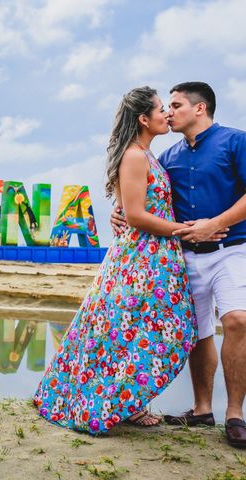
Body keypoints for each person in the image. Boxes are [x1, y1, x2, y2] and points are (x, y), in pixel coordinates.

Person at [34, 86, 208, 434]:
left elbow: (131, 209)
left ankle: (128, 399)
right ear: (144, 119)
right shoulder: (134, 156)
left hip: (154, 258)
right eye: (161, 109)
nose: (167, 114)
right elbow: (136, 216)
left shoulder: (148, 155)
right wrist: (185, 230)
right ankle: (125, 402)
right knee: (129, 331)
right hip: (139, 261)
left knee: (135, 331)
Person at [111, 82, 246, 447]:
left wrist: (215, 225)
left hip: (232, 248)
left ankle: (235, 415)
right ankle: (202, 410)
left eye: (176, 104)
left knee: (237, 320)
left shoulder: (236, 141)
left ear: (199, 108)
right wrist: (119, 212)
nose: (169, 112)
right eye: (165, 106)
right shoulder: (165, 157)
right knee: (199, 333)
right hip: (183, 256)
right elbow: (142, 196)